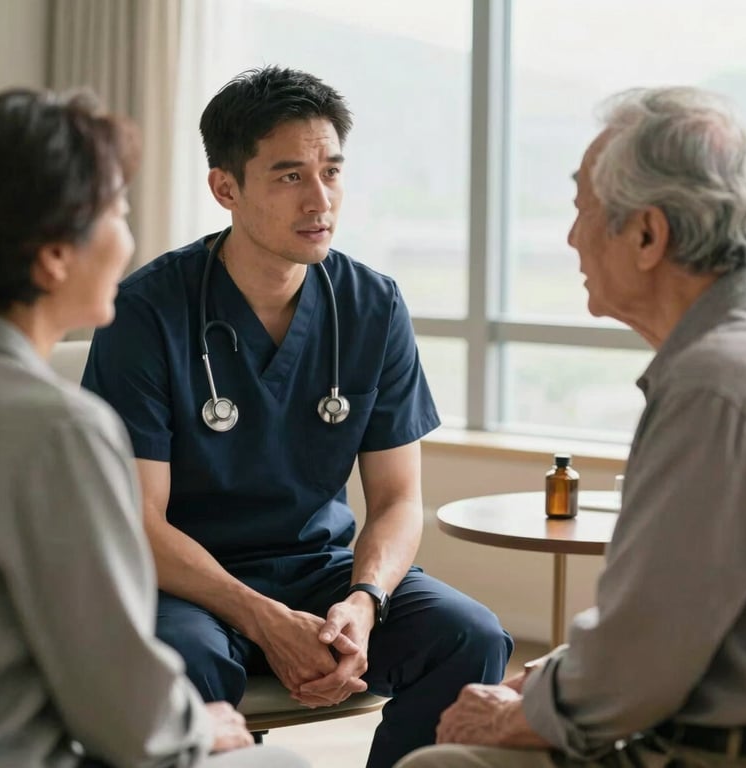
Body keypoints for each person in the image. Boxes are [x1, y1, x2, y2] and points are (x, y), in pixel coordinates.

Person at [81, 65, 513, 768]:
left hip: (320, 571)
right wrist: (263, 617)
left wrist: (365, 600)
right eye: (289, 176)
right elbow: (138, 520)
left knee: (470, 636)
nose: (321, 200)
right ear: (226, 187)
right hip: (187, 583)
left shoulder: (373, 306)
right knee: (179, 663)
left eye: (332, 172)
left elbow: (400, 500)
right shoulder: (148, 312)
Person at [394, 85, 746, 768]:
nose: (570, 239)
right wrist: (546, 683)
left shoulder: (713, 384)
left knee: (437, 763)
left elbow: (646, 655)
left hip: (716, 750)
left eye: (581, 212)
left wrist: (525, 710)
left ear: (648, 234)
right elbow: (674, 618)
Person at [0, 87, 309, 768]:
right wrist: (200, 729)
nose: (128, 237)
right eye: (118, 211)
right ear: (54, 255)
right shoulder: (57, 432)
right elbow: (126, 717)